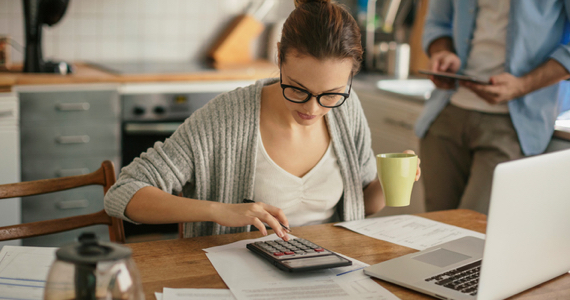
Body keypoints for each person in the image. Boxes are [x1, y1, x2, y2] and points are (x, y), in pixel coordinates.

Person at [104, 0, 421, 240]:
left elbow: (364, 205)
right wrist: (221, 211)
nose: (313, 108)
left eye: (330, 94)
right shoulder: (228, 118)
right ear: (279, 55)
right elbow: (123, 193)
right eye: (298, 89)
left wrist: (392, 180)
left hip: (331, 269)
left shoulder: (347, 112)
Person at [416, 0, 570, 214]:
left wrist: (521, 86)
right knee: (432, 229)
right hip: (446, 113)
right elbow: (437, 23)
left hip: (512, 125)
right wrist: (442, 53)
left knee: (472, 237)